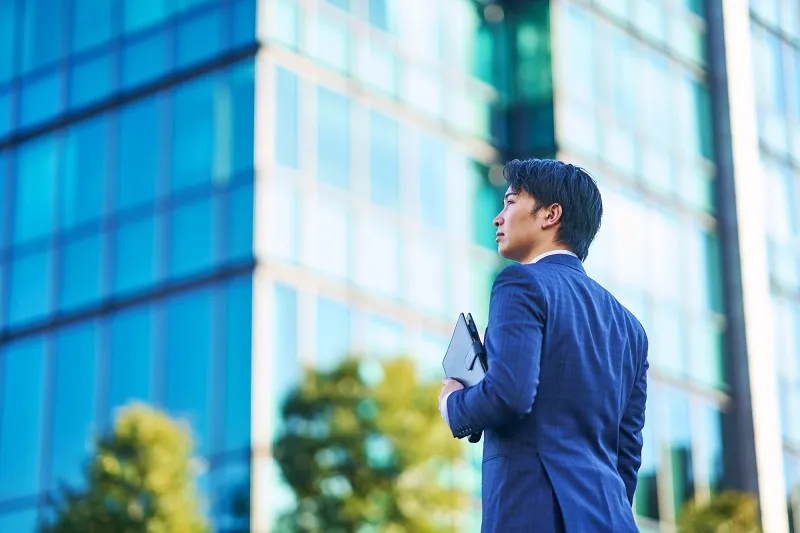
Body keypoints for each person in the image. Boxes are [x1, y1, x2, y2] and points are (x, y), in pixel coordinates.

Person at [439, 158, 648, 532]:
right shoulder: (631, 328)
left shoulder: (519, 284)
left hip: (531, 513)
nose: (497, 218)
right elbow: (627, 454)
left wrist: (452, 402)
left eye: (510, 202)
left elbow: (509, 395)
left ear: (550, 214)